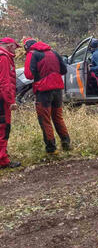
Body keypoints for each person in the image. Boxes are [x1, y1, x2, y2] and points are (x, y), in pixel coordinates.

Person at [23, 38, 71, 154]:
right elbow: (64, 70)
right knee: (58, 118)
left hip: (43, 91)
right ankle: (66, 144)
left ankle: (51, 149)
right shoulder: (53, 52)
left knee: (45, 120)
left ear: (28, 47)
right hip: (58, 89)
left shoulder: (32, 54)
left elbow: (28, 75)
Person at [0, 38, 22, 169]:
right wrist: (11, 101)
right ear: (9, 45)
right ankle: (3, 160)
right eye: (15, 47)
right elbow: (5, 82)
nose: (16, 49)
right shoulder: (3, 57)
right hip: (2, 100)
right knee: (3, 128)